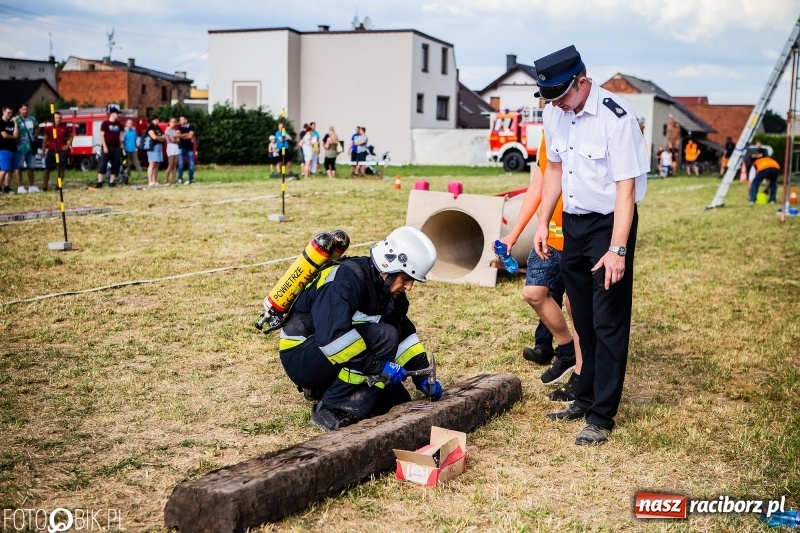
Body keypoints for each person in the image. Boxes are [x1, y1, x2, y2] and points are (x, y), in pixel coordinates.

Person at [532, 45, 649, 446]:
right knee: (582, 317)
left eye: (563, 96)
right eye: (552, 99)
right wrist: (544, 221)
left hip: (609, 225)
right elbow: (555, 171)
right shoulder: (554, 111)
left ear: (583, 82)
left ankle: (602, 416)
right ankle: (583, 398)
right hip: (574, 224)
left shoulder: (616, 117)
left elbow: (626, 189)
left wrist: (617, 250)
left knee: (608, 320)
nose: (558, 105)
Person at [279, 226, 443, 431]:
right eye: (407, 278)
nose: (409, 286)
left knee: (399, 402)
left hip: (326, 354)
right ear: (388, 267)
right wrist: (376, 367)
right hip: (302, 356)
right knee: (385, 336)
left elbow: (405, 337)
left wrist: (423, 377)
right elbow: (333, 339)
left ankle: (325, 387)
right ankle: (331, 406)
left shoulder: (390, 294)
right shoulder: (346, 280)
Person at [498, 135, 582, 402]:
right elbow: (537, 186)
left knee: (575, 305)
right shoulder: (550, 133)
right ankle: (567, 348)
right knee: (534, 292)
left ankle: (581, 372)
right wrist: (514, 234)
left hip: (581, 235)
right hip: (549, 236)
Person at [93, 107, 124, 188]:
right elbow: (102, 135)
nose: (118, 115)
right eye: (117, 114)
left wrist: (121, 140)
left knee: (115, 164)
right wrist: (105, 146)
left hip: (116, 147)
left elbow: (124, 132)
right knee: (103, 164)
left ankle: (112, 182)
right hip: (107, 147)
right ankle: (100, 182)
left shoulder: (118, 124)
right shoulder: (105, 123)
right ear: (113, 114)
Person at [42, 111, 71, 192]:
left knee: (61, 170)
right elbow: (45, 139)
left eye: (59, 118)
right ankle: (45, 186)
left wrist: (68, 145)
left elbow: (71, 136)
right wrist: (43, 151)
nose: (58, 119)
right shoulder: (49, 128)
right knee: (47, 170)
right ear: (53, 119)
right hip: (51, 150)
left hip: (61, 151)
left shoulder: (64, 128)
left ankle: (58, 186)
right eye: (56, 118)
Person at [14, 103, 40, 193]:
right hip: (20, 146)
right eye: (24, 109)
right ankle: (20, 186)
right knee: (19, 167)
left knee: (31, 167)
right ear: (20, 110)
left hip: (30, 146)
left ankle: (32, 185)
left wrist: (35, 136)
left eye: (27, 109)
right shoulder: (16, 119)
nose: (25, 111)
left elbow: (37, 127)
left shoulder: (32, 118)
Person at [0, 106, 18, 194]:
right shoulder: (1, 122)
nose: (10, 115)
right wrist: (13, 137)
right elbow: (4, 135)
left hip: (13, 148)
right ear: (3, 112)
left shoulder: (11, 123)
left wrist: (15, 123)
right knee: (5, 168)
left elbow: (16, 134)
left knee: (10, 169)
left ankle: (7, 187)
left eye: (11, 113)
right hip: (4, 148)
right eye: (8, 112)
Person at [145, 116, 165, 187]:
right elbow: (154, 137)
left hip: (159, 146)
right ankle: (150, 181)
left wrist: (159, 138)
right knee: (152, 164)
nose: (157, 121)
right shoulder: (150, 127)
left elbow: (164, 136)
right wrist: (160, 138)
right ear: (152, 120)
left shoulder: (158, 128)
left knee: (157, 163)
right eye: (156, 120)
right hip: (152, 147)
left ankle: (154, 180)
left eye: (158, 120)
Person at [123, 118, 143, 183]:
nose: (130, 124)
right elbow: (122, 140)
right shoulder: (124, 131)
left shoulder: (134, 131)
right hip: (126, 149)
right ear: (126, 124)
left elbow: (135, 139)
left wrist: (136, 147)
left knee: (136, 162)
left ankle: (141, 174)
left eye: (131, 123)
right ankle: (127, 175)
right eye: (129, 123)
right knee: (127, 163)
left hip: (133, 149)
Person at [176, 115, 195, 184]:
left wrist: (182, 135)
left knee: (191, 165)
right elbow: (177, 135)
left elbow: (190, 136)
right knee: (180, 164)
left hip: (189, 148)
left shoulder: (191, 127)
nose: (180, 121)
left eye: (182, 120)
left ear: (186, 120)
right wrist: (185, 135)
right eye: (180, 120)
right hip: (181, 147)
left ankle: (191, 178)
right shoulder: (179, 127)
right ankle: (180, 178)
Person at [164, 117, 179, 185]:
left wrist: (175, 138)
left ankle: (174, 179)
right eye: (172, 122)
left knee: (175, 164)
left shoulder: (174, 130)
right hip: (171, 147)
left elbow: (178, 140)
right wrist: (176, 138)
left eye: (174, 122)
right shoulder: (168, 130)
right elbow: (172, 140)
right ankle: (166, 179)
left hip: (176, 147)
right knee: (171, 164)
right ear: (169, 122)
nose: (173, 123)